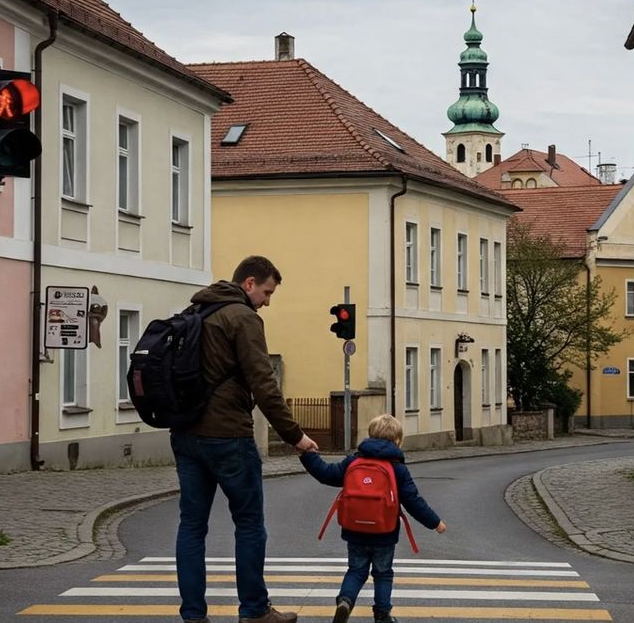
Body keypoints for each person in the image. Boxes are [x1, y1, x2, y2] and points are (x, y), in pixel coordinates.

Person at [171, 255, 319, 623]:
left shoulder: (196, 311)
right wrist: (295, 436)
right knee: (250, 523)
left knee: (191, 526)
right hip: (228, 437)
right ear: (249, 284)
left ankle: (192, 616)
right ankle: (254, 611)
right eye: (267, 292)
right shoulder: (243, 317)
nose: (268, 301)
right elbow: (264, 384)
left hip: (186, 434)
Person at [299, 414, 447, 623]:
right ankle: (382, 615)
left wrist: (308, 455)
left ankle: (345, 600)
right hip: (384, 533)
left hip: (355, 530)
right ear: (397, 440)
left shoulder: (354, 461)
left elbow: (326, 473)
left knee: (356, 570)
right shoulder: (397, 468)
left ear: (370, 435)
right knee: (383, 573)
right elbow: (413, 501)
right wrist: (435, 522)